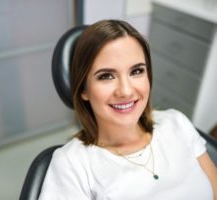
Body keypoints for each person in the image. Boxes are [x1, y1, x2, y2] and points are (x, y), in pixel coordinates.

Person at [39, 20, 217, 199]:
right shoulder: (71, 164)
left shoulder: (177, 123)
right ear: (84, 89)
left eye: (136, 71)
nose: (126, 91)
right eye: (106, 76)